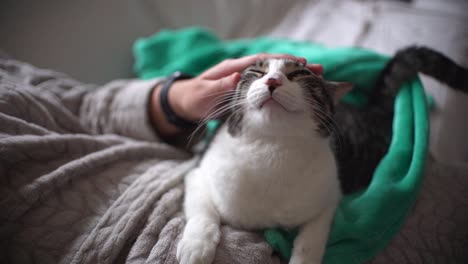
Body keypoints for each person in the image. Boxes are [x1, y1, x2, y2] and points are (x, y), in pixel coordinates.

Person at [0, 53, 321, 263]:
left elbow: (83, 104)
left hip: (176, 172)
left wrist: (171, 99)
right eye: (260, 74)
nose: (272, 79)